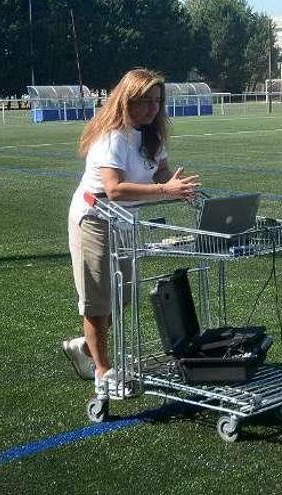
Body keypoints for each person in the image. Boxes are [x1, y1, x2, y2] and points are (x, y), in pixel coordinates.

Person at [62, 68, 200, 396]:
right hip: (94, 218)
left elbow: (161, 171)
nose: (153, 108)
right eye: (145, 101)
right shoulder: (113, 136)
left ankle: (84, 346)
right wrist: (166, 191)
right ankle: (104, 372)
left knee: (121, 296)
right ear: (127, 100)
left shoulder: (149, 135)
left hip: (123, 222)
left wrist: (172, 182)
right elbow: (115, 188)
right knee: (98, 300)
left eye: (157, 101)